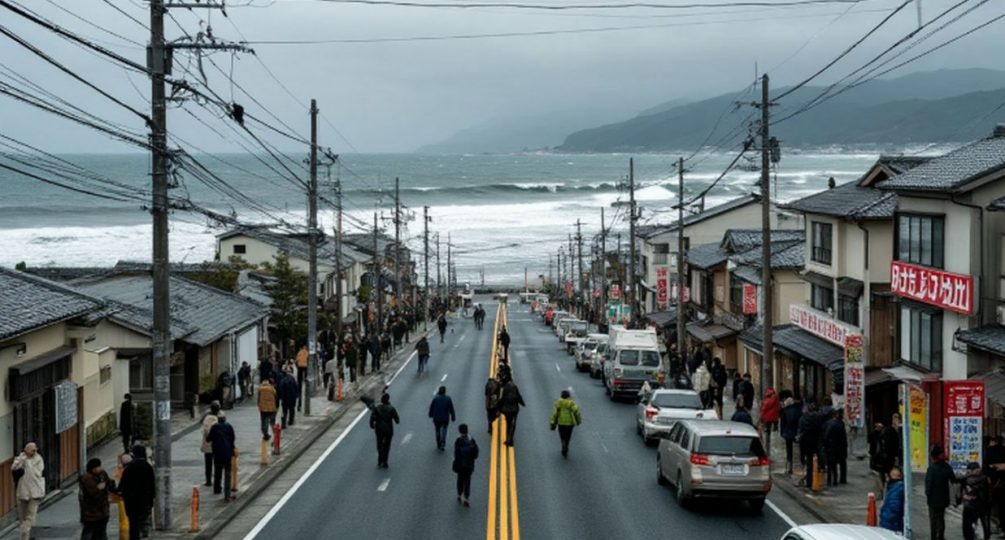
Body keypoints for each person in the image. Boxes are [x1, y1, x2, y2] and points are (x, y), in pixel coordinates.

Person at [118, 445, 155, 540]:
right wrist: (151, 500)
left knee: (133, 525)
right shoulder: (148, 467)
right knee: (143, 520)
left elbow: (122, 486)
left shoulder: (130, 468)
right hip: (144, 500)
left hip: (131, 501)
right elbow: (152, 485)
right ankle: (144, 533)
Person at [12, 442, 44, 540]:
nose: (34, 451)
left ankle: (24, 537)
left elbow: (36, 473)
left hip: (35, 493)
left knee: (29, 517)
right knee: (22, 517)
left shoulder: (38, 459)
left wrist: (28, 461)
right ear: (26, 450)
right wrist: (24, 458)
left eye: (35, 449)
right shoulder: (21, 458)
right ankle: (25, 535)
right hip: (22, 492)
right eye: (32, 449)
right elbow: (14, 467)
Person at [925, 445, 957, 540]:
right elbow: (953, 479)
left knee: (933, 520)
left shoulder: (931, 469)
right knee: (941, 518)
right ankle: (941, 536)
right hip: (943, 498)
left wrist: (928, 494)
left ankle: (934, 537)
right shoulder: (946, 467)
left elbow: (929, 485)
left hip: (933, 499)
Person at [79, 457, 113, 540]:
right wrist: (99, 488)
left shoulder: (102, 474)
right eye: (98, 467)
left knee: (101, 533)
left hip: (102, 511)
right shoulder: (87, 478)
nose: (100, 468)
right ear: (93, 468)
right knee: (89, 532)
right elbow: (92, 493)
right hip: (91, 513)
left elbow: (109, 483)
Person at [207, 411, 237, 501]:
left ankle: (217, 489)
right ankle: (227, 494)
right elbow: (232, 439)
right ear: (225, 419)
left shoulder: (214, 427)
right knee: (228, 473)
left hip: (217, 453)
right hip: (227, 452)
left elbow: (209, 439)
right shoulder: (229, 427)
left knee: (217, 471)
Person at [961, 461, 992, 540]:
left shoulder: (965, 479)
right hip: (983, 506)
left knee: (967, 527)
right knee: (985, 526)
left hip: (969, 506)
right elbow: (987, 493)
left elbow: (963, 492)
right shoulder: (985, 479)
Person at [370, 393, 400, 468]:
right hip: (388, 430)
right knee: (387, 446)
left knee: (379, 445)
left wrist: (372, 425)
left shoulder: (377, 408)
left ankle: (380, 461)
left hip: (379, 429)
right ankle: (385, 462)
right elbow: (397, 420)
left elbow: (372, 418)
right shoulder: (391, 408)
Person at [550, 389, 582, 458]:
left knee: (562, 435)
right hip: (570, 423)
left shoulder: (558, 402)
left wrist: (552, 422)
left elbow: (554, 413)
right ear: (568, 396)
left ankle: (563, 443)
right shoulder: (571, 403)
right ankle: (566, 445)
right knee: (568, 436)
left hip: (561, 422)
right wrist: (578, 421)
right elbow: (576, 412)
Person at [453, 423, 479, 507]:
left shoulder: (458, 440)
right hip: (469, 464)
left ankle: (459, 494)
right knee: (467, 481)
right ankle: (466, 497)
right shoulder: (472, 440)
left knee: (460, 479)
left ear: (460, 431)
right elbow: (476, 453)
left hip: (460, 464)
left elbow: (456, 453)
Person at [798, 401, 823, 488]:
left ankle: (809, 481)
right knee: (817, 461)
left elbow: (800, 430)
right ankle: (817, 479)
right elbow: (821, 430)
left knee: (808, 462)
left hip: (805, 442)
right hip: (815, 442)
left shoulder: (803, 418)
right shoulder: (819, 418)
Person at [984, 435, 1005, 537]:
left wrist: (993, 468)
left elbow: (986, 467)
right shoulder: (1003, 450)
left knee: (989, 506)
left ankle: (988, 528)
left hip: (991, 483)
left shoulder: (989, 451)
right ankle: (1002, 528)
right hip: (1002, 482)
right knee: (1002, 506)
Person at [821, 409, 848, 486]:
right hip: (840, 447)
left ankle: (829, 480)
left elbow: (824, 435)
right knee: (842, 463)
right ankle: (841, 479)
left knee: (830, 464)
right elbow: (843, 437)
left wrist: (825, 445)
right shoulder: (841, 424)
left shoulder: (827, 423)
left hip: (830, 447)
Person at [779, 393, 802, 474]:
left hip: (788, 433)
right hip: (796, 433)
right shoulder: (799, 410)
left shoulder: (785, 411)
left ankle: (790, 466)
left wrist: (782, 433)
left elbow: (782, 424)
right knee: (800, 449)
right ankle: (801, 466)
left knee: (789, 451)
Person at [498, 377, 525, 447]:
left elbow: (503, 398)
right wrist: (522, 403)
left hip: (506, 410)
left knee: (508, 424)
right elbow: (519, 396)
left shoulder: (505, 388)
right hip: (514, 409)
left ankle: (507, 439)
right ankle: (510, 440)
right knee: (513, 425)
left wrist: (498, 407)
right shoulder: (514, 387)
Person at [200, 401, 221, 487]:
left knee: (208, 464)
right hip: (217, 445)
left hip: (207, 445)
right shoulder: (219, 419)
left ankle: (208, 480)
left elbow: (204, 431)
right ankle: (217, 482)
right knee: (217, 464)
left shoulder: (206, 419)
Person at [429, 386, 457, 452]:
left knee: (437, 430)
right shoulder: (448, 399)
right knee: (444, 430)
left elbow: (431, 407)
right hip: (445, 418)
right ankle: (443, 442)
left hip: (437, 418)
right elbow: (451, 409)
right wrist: (453, 417)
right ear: (445, 391)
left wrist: (430, 414)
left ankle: (438, 442)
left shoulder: (435, 399)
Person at [880, 466, 905, 533]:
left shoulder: (896, 488)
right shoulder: (892, 487)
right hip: (889, 519)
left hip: (890, 521)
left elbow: (895, 506)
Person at [295, 344, 309, 411]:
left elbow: (297, 360)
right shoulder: (307, 352)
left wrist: (297, 365)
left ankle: (299, 382)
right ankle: (305, 379)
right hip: (305, 366)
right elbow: (308, 359)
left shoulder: (299, 352)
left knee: (299, 380)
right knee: (305, 376)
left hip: (300, 366)